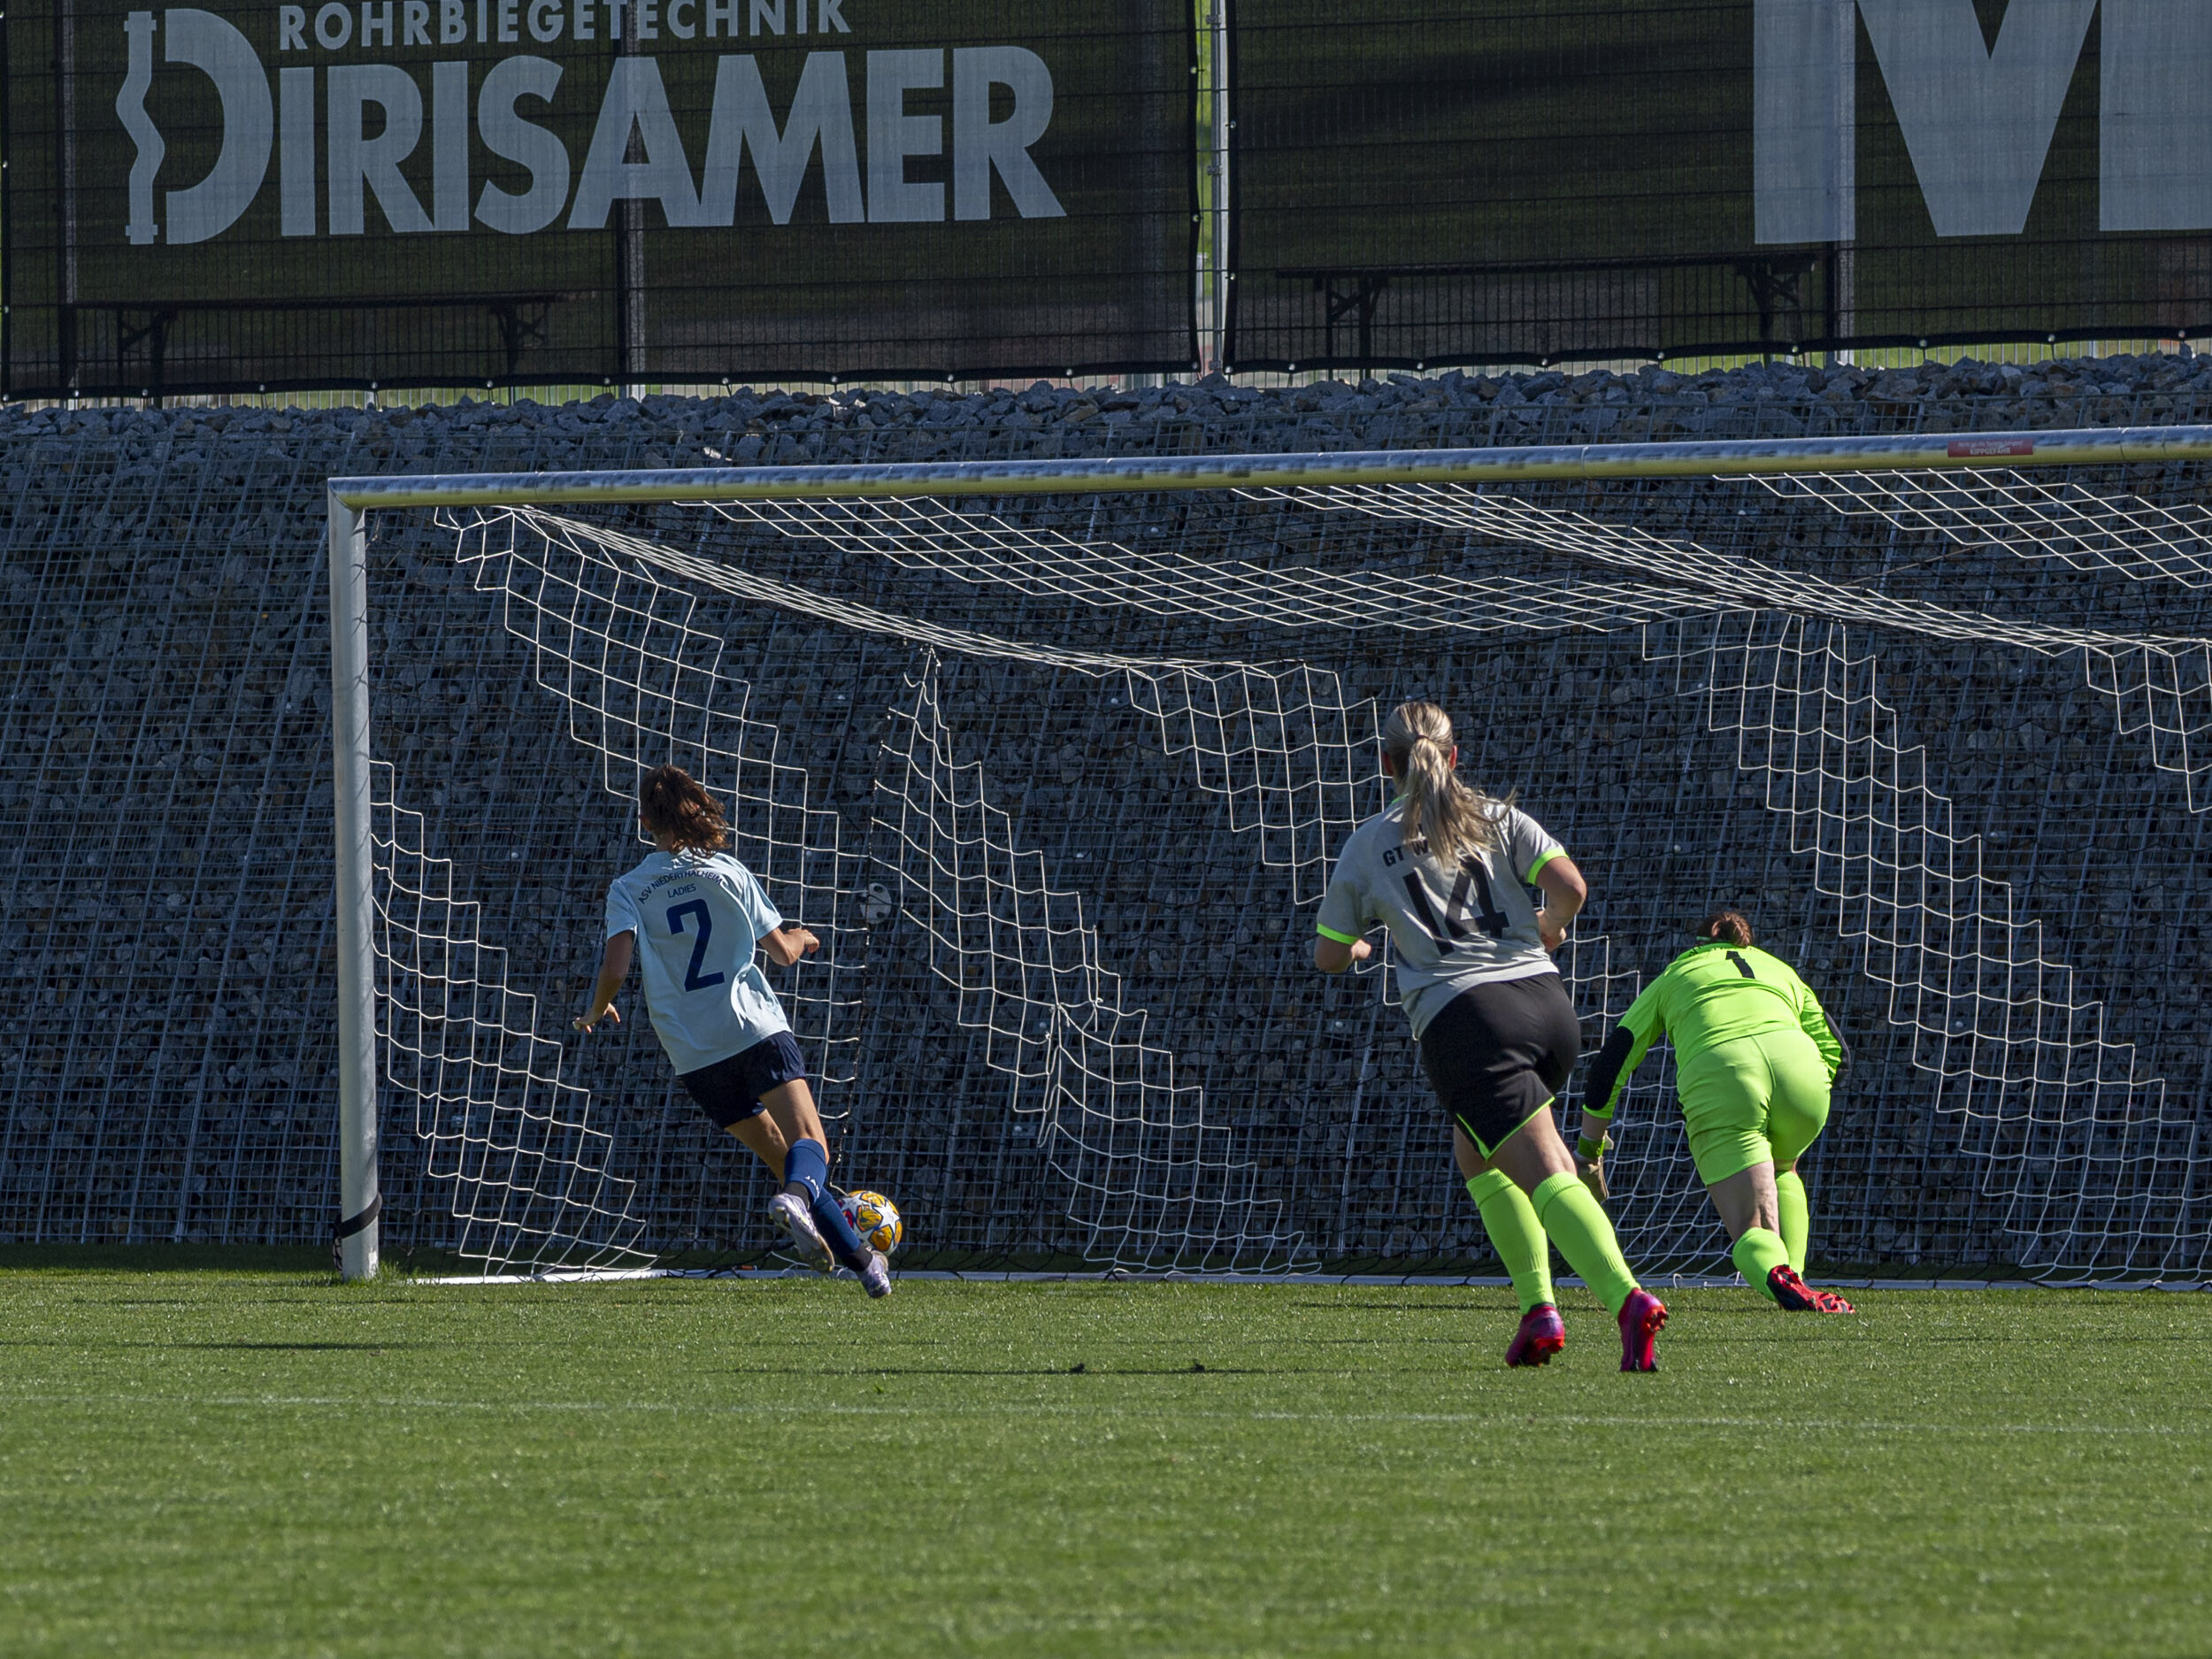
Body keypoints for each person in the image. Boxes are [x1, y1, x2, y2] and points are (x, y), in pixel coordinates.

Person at [1314, 701, 1669, 1371]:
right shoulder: (1497, 817)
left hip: (1470, 1022)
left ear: (1386, 764)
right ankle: (1538, 1311)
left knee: (1547, 1169)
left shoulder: (1367, 844)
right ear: (1454, 757)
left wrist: (1360, 947)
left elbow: (1329, 953)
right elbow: (1570, 887)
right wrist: (1550, 926)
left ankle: (1628, 1300)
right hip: (1548, 1009)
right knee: (1476, 1151)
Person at [573, 764, 889, 1298]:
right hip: (752, 1027)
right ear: (698, 810)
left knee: (786, 1162)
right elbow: (782, 954)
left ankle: (865, 1268)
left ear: (645, 821)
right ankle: (798, 1206)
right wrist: (804, 936)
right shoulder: (728, 872)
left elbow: (616, 968)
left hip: (694, 1053)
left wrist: (596, 1009)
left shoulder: (628, 888)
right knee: (810, 1145)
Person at [1574, 908, 1853, 1314]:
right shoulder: (1780, 970)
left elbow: (1611, 1063)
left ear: (1698, 944)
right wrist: (1812, 1082)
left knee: (1751, 1227)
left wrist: (1590, 1148)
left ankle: (1781, 1278)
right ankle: (1797, 1282)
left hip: (1726, 1075)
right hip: (1802, 1073)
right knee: (1784, 1167)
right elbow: (1838, 1052)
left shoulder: (1675, 975)